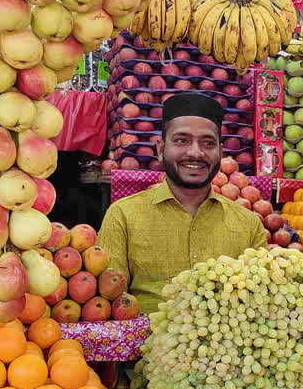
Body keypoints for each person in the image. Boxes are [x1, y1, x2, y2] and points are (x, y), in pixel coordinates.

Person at [98, 92, 267, 313]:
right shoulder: (123, 215)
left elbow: (262, 304)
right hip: (147, 344)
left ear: (220, 153)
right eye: (181, 141)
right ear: (160, 149)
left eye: (208, 143)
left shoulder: (248, 225)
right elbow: (107, 301)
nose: (195, 152)